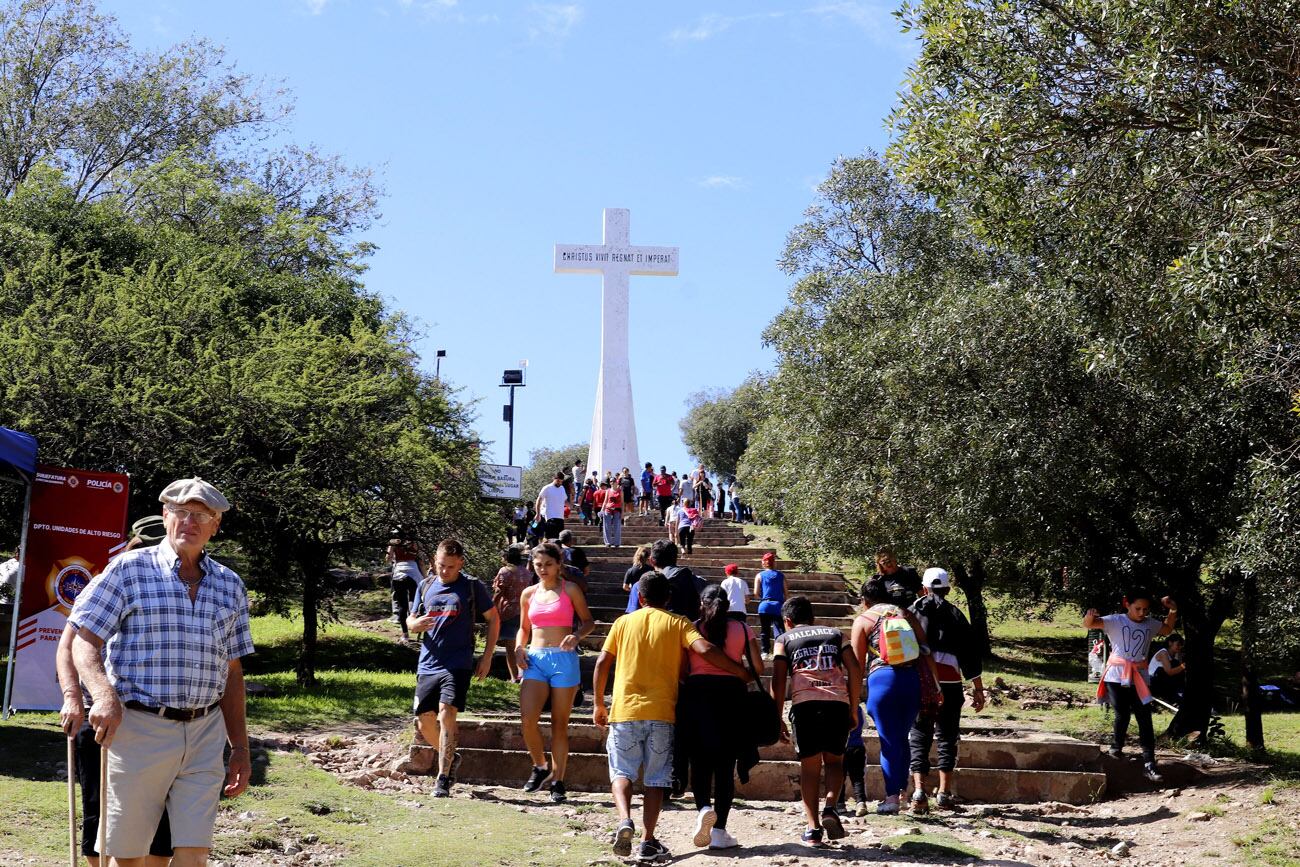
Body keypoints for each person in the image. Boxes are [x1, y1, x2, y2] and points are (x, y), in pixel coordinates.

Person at [69, 478, 252, 867]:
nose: (191, 521)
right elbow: (83, 642)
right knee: (128, 856)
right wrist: (102, 695)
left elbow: (232, 671)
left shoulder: (230, 585)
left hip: (205, 731)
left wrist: (240, 747)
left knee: (193, 855)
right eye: (182, 512)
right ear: (166, 515)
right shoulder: (129, 569)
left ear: (215, 525)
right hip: (138, 728)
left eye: (202, 515)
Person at [592, 571, 752, 862]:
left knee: (622, 772)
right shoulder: (678, 623)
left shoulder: (622, 623)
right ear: (669, 598)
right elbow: (704, 649)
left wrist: (599, 704)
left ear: (640, 597)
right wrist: (739, 671)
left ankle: (624, 819)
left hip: (624, 710)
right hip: (662, 712)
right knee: (655, 780)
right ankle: (647, 839)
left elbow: (603, 662)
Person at [59, 516, 173, 867]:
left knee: (164, 816)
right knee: (99, 808)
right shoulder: (110, 582)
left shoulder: (183, 587)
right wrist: (73, 698)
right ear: (131, 546)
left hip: (161, 725)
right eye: (143, 547)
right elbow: (67, 647)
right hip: (102, 716)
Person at [407, 538, 501, 798]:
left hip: (458, 662)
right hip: (428, 662)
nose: (444, 571)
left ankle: (443, 777)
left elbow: (493, 619)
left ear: (460, 563)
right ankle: (450, 756)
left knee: (446, 713)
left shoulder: (471, 587)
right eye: (440, 565)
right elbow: (410, 617)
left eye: (450, 566)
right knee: (423, 719)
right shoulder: (425, 585)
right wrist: (414, 625)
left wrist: (487, 656)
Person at [771, 595, 863, 847]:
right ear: (812, 617)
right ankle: (831, 806)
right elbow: (855, 669)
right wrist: (853, 707)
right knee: (835, 761)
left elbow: (778, 680)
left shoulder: (784, 639)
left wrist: (777, 716)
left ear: (787, 621)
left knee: (810, 769)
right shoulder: (835, 634)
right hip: (837, 703)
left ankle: (812, 830)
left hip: (805, 706)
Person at [678, 583, 762, 851]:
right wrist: (742, 673)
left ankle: (703, 808)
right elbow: (758, 668)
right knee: (725, 766)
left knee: (699, 761)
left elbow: (682, 669)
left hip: (697, 695)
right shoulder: (743, 628)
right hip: (732, 697)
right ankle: (719, 831)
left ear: (701, 603)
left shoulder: (691, 627)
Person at [851, 577, 939, 815]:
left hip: (883, 680)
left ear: (864, 600)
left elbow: (857, 665)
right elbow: (925, 646)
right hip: (911, 680)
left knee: (889, 741)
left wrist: (853, 697)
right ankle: (902, 792)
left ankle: (891, 798)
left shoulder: (863, 619)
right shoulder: (902, 613)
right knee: (902, 737)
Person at [517, 542, 595, 804]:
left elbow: (588, 622)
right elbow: (523, 628)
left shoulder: (570, 589)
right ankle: (540, 766)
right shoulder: (528, 593)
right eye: (538, 565)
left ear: (558, 564)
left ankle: (558, 781)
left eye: (548, 564)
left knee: (559, 724)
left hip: (564, 660)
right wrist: (518, 647)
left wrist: (575, 635)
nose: (543, 569)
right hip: (536, 660)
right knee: (528, 719)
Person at [907, 568, 985, 812]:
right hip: (951, 682)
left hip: (920, 681)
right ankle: (944, 793)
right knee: (947, 735)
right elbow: (970, 655)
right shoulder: (956, 614)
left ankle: (919, 791)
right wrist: (978, 689)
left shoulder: (912, 612)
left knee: (919, 733)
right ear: (948, 589)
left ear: (924, 588)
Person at [1084, 588, 1178, 782]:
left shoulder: (1149, 624)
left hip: (1139, 676)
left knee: (1145, 717)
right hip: (1116, 675)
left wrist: (1173, 611)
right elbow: (1090, 624)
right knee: (1122, 713)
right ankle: (1116, 749)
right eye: (1138, 609)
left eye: (1145, 609)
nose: (1142, 613)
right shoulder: (1115, 620)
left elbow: (1167, 629)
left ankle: (1149, 763)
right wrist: (1089, 615)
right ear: (1127, 604)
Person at [492, 545, 531, 682]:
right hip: (525, 610)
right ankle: (524, 675)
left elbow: (498, 592)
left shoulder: (505, 571)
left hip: (509, 611)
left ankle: (515, 677)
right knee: (521, 645)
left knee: (510, 648)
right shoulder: (526, 572)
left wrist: (492, 606)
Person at [650, 539, 704, 620]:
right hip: (689, 628)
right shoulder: (693, 578)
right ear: (675, 558)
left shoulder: (650, 584)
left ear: (651, 561)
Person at [387, 539, 423, 642]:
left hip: (399, 572)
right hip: (413, 572)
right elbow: (420, 562)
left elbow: (388, 559)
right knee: (414, 599)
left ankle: (405, 634)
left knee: (402, 604)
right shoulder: (415, 542)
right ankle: (414, 622)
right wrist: (425, 578)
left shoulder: (393, 542)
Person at [754, 552, 785, 657]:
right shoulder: (781, 575)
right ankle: (779, 652)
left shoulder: (759, 575)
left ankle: (765, 652)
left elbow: (756, 593)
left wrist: (763, 598)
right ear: (774, 563)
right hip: (778, 605)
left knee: (765, 630)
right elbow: (786, 592)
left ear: (763, 562)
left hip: (765, 605)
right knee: (780, 630)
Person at [1148, 634, 1187, 703]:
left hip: (1163, 681)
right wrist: (1183, 666)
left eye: (1181, 645)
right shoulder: (1163, 653)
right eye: (1178, 644)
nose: (1179, 647)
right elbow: (1169, 672)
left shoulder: (1176, 654)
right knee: (1174, 665)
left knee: (1177, 665)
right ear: (1170, 643)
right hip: (1153, 681)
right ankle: (1178, 693)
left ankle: (1180, 693)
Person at [535, 473, 569, 540]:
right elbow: (539, 500)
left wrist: (573, 506)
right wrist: (538, 514)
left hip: (560, 518)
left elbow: (565, 501)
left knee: (559, 540)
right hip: (550, 517)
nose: (560, 483)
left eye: (561, 481)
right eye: (558, 481)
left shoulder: (562, 488)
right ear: (554, 479)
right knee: (550, 539)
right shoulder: (547, 488)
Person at [623, 544, 654, 614]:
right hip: (648, 599)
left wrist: (632, 588)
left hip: (635, 600)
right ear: (647, 557)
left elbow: (625, 586)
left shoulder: (631, 570)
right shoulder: (651, 570)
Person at [557, 529, 590, 593]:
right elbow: (587, 571)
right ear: (571, 540)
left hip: (558, 588)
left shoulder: (555, 552)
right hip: (576, 587)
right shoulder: (578, 552)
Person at [601, 477, 624, 548]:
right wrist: (602, 510)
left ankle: (617, 543)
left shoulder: (620, 491)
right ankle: (608, 542)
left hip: (617, 510)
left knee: (617, 527)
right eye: (610, 481)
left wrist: (623, 513)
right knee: (607, 526)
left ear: (616, 482)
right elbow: (605, 501)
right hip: (608, 509)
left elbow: (622, 502)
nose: (611, 483)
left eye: (613, 481)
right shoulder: (608, 491)